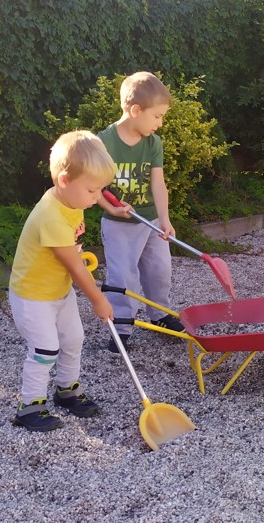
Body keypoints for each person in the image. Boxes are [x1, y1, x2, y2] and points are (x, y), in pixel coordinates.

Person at [9, 130, 115, 432]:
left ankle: (67, 390)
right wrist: (99, 300)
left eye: (100, 190)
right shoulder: (51, 216)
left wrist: (110, 205)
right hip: (33, 296)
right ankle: (30, 406)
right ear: (65, 180)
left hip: (58, 290)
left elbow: (73, 255)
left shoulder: (72, 197)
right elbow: (77, 269)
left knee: (73, 340)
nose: (96, 197)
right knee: (45, 350)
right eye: (92, 190)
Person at [97, 71, 184, 352]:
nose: (160, 123)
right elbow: (93, 187)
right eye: (157, 116)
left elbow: (158, 183)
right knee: (122, 277)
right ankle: (121, 327)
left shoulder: (152, 143)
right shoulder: (104, 143)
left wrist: (165, 220)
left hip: (151, 221)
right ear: (136, 111)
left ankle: (160, 315)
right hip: (118, 225)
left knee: (160, 271)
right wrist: (111, 208)